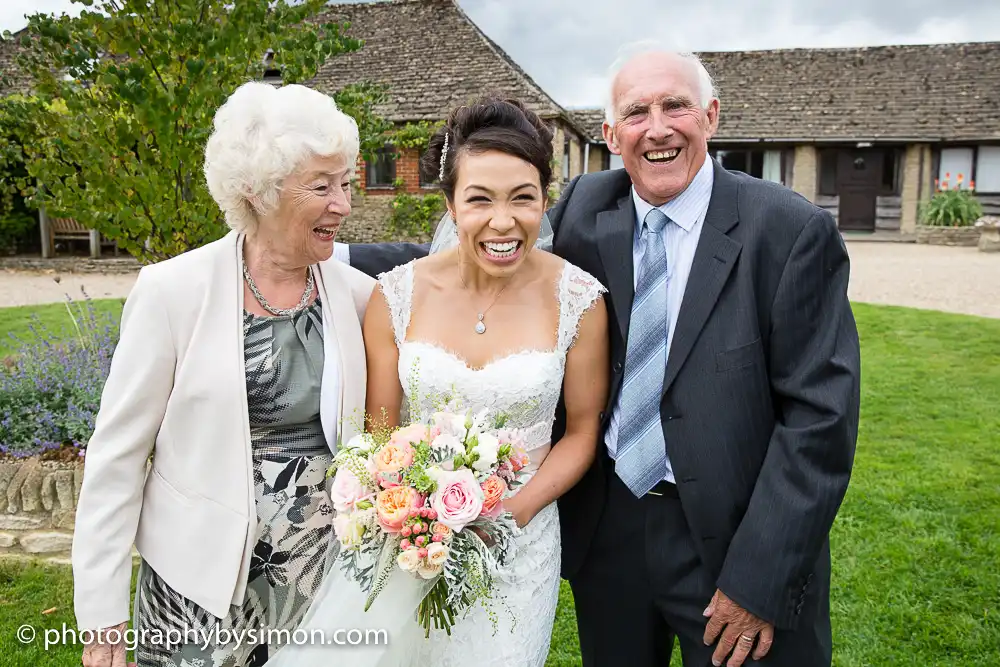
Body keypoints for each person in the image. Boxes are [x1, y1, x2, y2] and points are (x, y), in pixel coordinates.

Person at [341, 43, 861, 667]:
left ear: (712, 117)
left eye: (677, 107)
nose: (659, 128)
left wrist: (759, 579)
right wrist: (330, 255)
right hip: (611, 534)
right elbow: (492, 240)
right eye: (637, 112)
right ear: (612, 134)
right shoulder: (591, 206)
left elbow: (821, 423)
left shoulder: (789, 231)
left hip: (733, 539)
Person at [268, 96, 609, 667]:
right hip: (410, 541)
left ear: (544, 201)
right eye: (479, 200)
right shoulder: (395, 295)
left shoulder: (578, 300)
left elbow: (580, 432)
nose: (504, 221)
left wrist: (515, 511)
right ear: (450, 204)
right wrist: (405, 510)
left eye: (523, 198)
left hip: (518, 545)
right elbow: (377, 435)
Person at [72, 81, 375, 667]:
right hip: (197, 593)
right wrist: (101, 612)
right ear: (257, 192)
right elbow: (117, 457)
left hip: (324, 585)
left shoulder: (359, 297)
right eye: (322, 186)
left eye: (345, 183)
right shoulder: (173, 293)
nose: (343, 204)